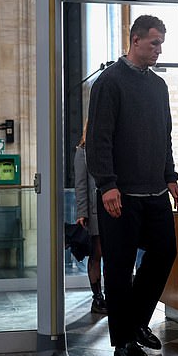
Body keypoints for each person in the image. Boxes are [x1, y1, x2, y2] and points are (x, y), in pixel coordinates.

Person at [86, 14, 178, 356]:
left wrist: (170, 176)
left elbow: (164, 135)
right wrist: (107, 184)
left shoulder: (158, 86)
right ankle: (123, 341)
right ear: (135, 40)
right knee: (119, 266)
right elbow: (98, 139)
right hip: (120, 195)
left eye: (161, 43)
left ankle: (137, 321)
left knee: (165, 252)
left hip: (155, 191)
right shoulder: (109, 82)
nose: (159, 49)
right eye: (154, 42)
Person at [74, 122, 108, 315]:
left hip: (115, 211)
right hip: (95, 213)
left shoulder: (111, 149)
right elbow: (80, 185)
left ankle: (114, 296)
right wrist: (82, 213)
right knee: (97, 254)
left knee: (114, 256)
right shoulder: (83, 151)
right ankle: (97, 298)